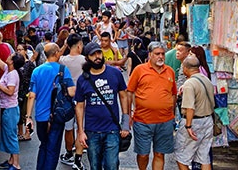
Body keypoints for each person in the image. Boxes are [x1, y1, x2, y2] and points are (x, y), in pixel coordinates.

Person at [75, 42, 130, 170]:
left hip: (112, 129)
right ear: (87, 58)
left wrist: (125, 123)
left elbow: (123, 96)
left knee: (112, 165)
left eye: (99, 53)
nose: (97, 57)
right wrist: (81, 132)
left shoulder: (115, 73)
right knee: (95, 166)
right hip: (92, 131)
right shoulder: (83, 79)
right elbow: (80, 106)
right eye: (93, 54)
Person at [127, 41, 177, 170]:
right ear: (150, 55)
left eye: (163, 54)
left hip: (165, 121)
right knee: (143, 154)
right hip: (142, 120)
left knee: (160, 154)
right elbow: (129, 92)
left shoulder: (170, 71)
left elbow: (173, 94)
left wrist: (172, 114)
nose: (161, 57)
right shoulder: (139, 70)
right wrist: (128, 115)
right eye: (157, 54)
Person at [26, 44, 76, 170]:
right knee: (53, 149)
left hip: (40, 116)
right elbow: (71, 92)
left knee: (44, 145)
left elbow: (31, 96)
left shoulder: (37, 71)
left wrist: (28, 117)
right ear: (57, 53)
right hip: (57, 114)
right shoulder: (63, 70)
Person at [175, 56, 215, 170]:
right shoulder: (206, 80)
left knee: (181, 157)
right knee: (204, 158)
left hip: (194, 122)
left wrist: (188, 126)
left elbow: (190, 107)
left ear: (185, 68)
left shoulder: (189, 83)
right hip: (207, 121)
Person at [0, 42, 25, 170]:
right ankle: (11, 160)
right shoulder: (7, 69)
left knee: (11, 136)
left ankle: (16, 164)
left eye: (11, 56)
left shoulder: (12, 75)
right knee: (9, 135)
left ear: (12, 62)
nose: (8, 56)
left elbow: (10, 91)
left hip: (10, 109)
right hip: (7, 108)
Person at [59, 35, 87, 170]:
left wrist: (64, 45)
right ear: (79, 45)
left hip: (67, 98)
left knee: (68, 128)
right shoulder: (84, 60)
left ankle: (69, 153)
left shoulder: (62, 60)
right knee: (80, 128)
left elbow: (56, 55)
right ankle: (78, 158)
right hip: (82, 98)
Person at [16, 44, 36, 141]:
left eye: (21, 49)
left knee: (27, 114)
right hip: (18, 91)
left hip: (27, 91)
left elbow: (34, 78)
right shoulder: (16, 64)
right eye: (17, 50)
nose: (19, 51)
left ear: (25, 51)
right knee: (19, 114)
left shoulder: (30, 64)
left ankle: (28, 133)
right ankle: (20, 132)